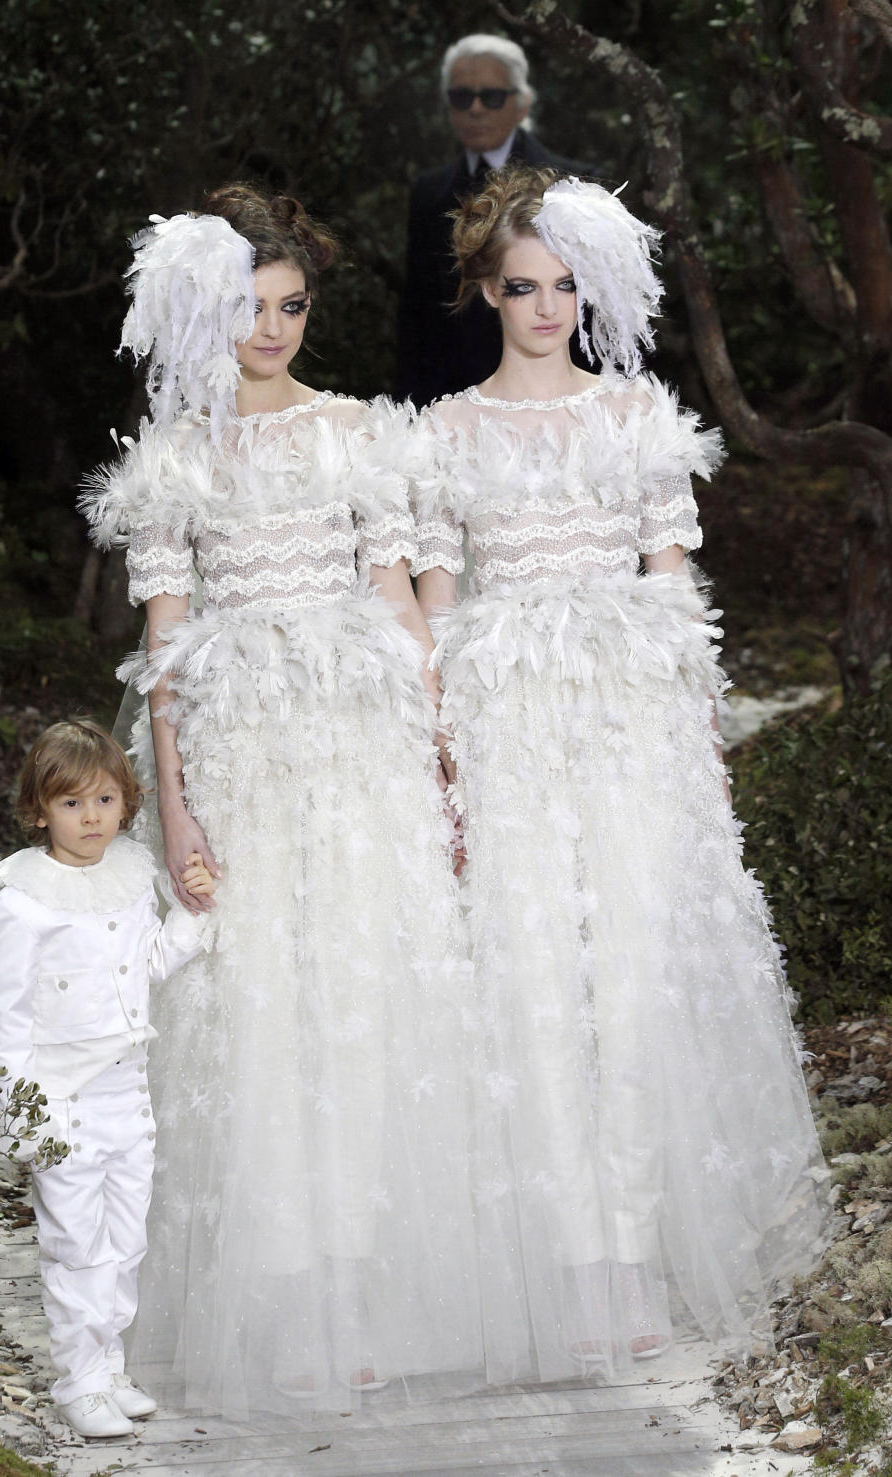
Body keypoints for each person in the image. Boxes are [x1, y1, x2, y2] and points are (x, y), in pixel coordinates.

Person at [411, 166, 830, 1385]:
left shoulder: (640, 415)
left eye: (566, 286)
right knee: (537, 983)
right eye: (524, 286)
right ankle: (575, 1263)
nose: (548, 306)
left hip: (635, 729)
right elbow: (437, 607)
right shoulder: (440, 436)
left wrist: (702, 740)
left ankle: (639, 1251)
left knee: (636, 980)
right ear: (489, 291)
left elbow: (673, 586)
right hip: (508, 730)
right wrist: (443, 762)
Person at [80, 186, 481, 1416]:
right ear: (211, 312)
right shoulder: (175, 456)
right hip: (240, 754)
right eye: (251, 308)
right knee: (258, 1018)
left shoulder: (360, 430)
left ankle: (358, 1293)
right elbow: (163, 647)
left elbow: (404, 600)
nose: (273, 328)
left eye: (292, 306)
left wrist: (442, 743)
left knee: (360, 1005)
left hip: (360, 748)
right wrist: (177, 806)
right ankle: (283, 1299)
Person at [0, 719, 215, 1438]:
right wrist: (22, 1112)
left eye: (105, 800)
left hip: (127, 1094)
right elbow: (9, 1015)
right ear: (39, 809)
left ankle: (107, 1363)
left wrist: (196, 908)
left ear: (126, 803)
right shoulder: (24, 900)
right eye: (72, 803)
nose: (91, 818)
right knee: (75, 1242)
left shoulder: (127, 879)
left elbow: (148, 965)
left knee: (125, 1238)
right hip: (63, 1101)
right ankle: (77, 1378)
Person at [395, 34, 592, 406]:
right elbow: (417, 313)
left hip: (560, 399)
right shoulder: (428, 192)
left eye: (492, 96)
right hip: (451, 399)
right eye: (461, 97)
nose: (476, 109)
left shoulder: (575, 186)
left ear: (522, 104)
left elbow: (601, 309)